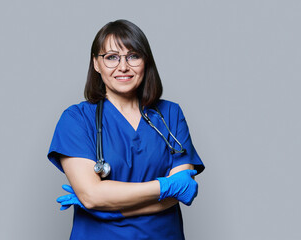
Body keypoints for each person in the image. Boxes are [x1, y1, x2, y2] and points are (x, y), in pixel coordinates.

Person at [47, 19, 205, 240]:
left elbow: (180, 192)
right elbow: (91, 196)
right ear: (96, 64)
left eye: (133, 56)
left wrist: (104, 208)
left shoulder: (170, 114)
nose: (123, 66)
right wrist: (165, 186)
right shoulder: (76, 119)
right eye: (111, 57)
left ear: (145, 61)